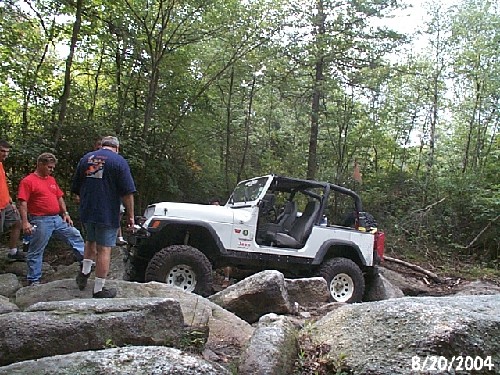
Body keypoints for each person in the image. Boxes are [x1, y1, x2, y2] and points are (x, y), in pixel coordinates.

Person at [71, 136, 136, 298]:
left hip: (87, 210)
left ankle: (85, 272)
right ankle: (99, 289)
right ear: (117, 148)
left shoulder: (86, 158)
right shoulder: (119, 162)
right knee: (104, 249)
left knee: (90, 241)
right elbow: (127, 193)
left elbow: (76, 188)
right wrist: (131, 216)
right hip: (107, 211)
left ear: (102, 146)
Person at [17, 152, 85, 286]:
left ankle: (86, 262)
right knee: (37, 249)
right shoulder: (28, 181)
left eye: (53, 167)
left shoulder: (51, 180)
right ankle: (34, 279)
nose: (51, 170)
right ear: (41, 164)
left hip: (57, 218)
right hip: (40, 219)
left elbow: (59, 197)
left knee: (74, 234)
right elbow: (22, 202)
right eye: (49, 167)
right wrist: (25, 222)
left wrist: (65, 213)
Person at [0, 140, 23, 261]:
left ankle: (13, 252)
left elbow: (2, 185)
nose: (5, 154)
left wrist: (10, 201)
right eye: (2, 151)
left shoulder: (1, 165)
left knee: (17, 222)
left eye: (7, 152)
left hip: (5, 204)